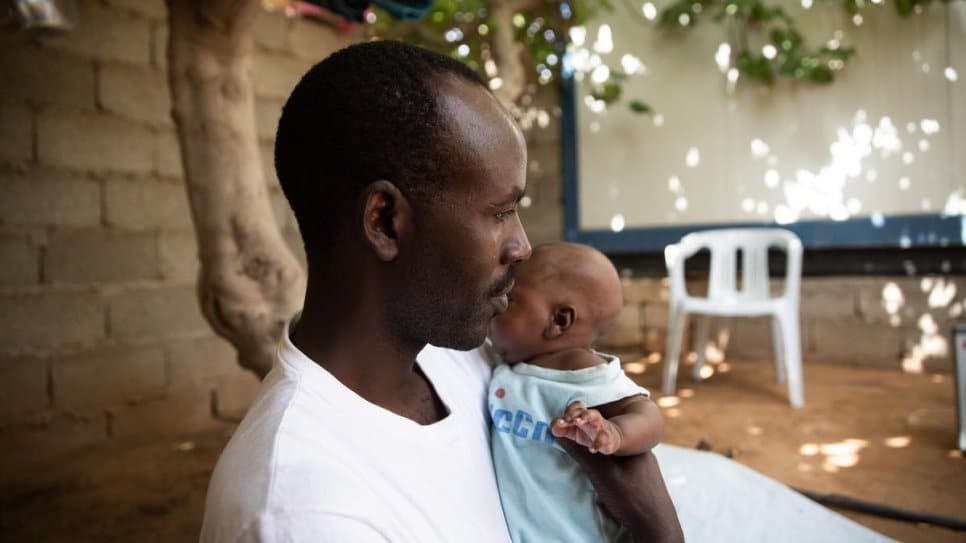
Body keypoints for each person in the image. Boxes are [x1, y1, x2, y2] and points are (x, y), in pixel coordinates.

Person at [199, 40, 682, 542]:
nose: (521, 246)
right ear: (384, 221)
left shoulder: (461, 358)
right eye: (499, 213)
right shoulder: (306, 514)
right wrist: (660, 531)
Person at [486, 242, 665, 542]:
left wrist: (616, 433)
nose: (497, 306)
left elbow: (649, 414)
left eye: (511, 298)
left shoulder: (582, 372)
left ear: (559, 321)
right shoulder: (508, 366)